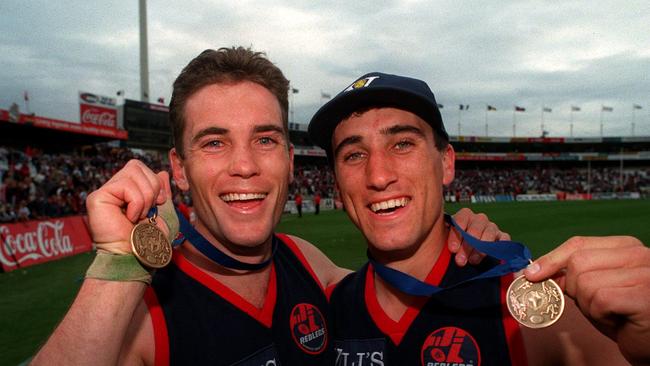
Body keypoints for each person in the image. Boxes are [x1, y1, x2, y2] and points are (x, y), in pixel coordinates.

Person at [32, 49, 505, 366]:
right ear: (178, 169)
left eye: (265, 139)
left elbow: (398, 285)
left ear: (289, 159)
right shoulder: (146, 312)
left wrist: (458, 232)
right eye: (215, 142)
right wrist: (118, 266)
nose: (245, 166)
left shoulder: (308, 266)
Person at [308, 72, 650, 365]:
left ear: (446, 163)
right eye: (354, 154)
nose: (378, 176)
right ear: (337, 181)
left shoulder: (531, 308)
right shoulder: (321, 310)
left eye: (402, 144)